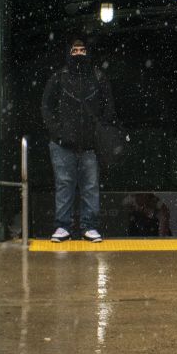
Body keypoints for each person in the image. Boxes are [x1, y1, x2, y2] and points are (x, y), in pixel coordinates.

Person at [41, 38, 116, 242]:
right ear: (69, 52)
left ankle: (87, 226)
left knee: (87, 187)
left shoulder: (97, 77)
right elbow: (46, 108)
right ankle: (64, 226)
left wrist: (97, 131)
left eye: (83, 50)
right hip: (63, 144)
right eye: (75, 50)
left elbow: (109, 109)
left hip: (89, 145)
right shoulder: (60, 78)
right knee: (68, 185)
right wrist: (59, 133)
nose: (79, 54)